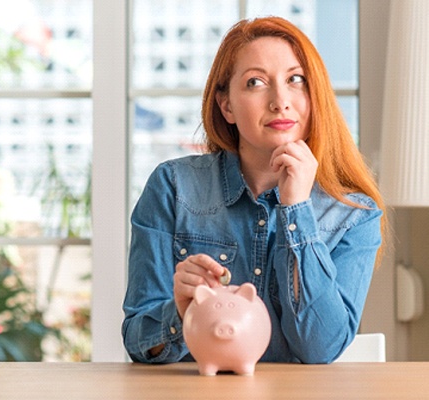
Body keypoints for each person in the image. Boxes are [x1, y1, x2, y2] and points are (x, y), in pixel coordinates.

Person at [122, 16, 386, 364]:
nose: (280, 101)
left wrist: (296, 211)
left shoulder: (353, 213)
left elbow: (320, 349)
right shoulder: (173, 187)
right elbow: (139, 340)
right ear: (226, 105)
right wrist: (180, 313)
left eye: (296, 80)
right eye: (256, 82)